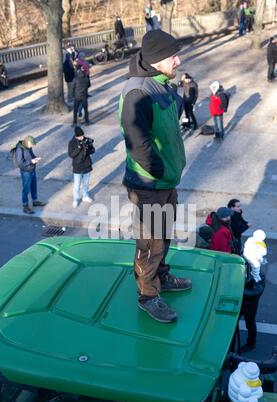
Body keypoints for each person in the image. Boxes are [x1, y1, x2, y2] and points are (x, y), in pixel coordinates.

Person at [119, 29, 192, 323]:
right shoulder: (137, 91)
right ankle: (148, 295)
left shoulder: (163, 85)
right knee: (150, 242)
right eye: (173, 55)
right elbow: (137, 141)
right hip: (149, 183)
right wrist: (160, 170)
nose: (178, 59)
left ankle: (162, 276)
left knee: (164, 235)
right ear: (157, 60)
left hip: (167, 181)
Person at [15, 136, 46, 214]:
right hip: (26, 172)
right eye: (31, 144)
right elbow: (20, 163)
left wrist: (35, 158)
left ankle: (35, 201)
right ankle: (25, 206)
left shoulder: (28, 147)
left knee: (33, 186)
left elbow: (31, 155)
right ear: (27, 142)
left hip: (32, 170)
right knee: (26, 189)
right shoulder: (20, 149)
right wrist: (31, 162)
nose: (32, 146)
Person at [239, 262, 265, 353]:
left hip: (250, 304)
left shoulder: (259, 274)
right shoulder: (241, 268)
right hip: (240, 302)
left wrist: (240, 291)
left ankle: (251, 343)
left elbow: (257, 291)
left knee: (250, 324)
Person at [68, 126, 95, 208]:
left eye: (82, 135)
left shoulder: (86, 140)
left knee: (86, 183)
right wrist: (79, 148)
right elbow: (71, 155)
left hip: (86, 165)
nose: (82, 137)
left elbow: (93, 151)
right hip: (77, 167)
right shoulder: (72, 143)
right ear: (76, 136)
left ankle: (85, 196)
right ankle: (75, 199)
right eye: (80, 136)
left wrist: (89, 146)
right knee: (77, 184)